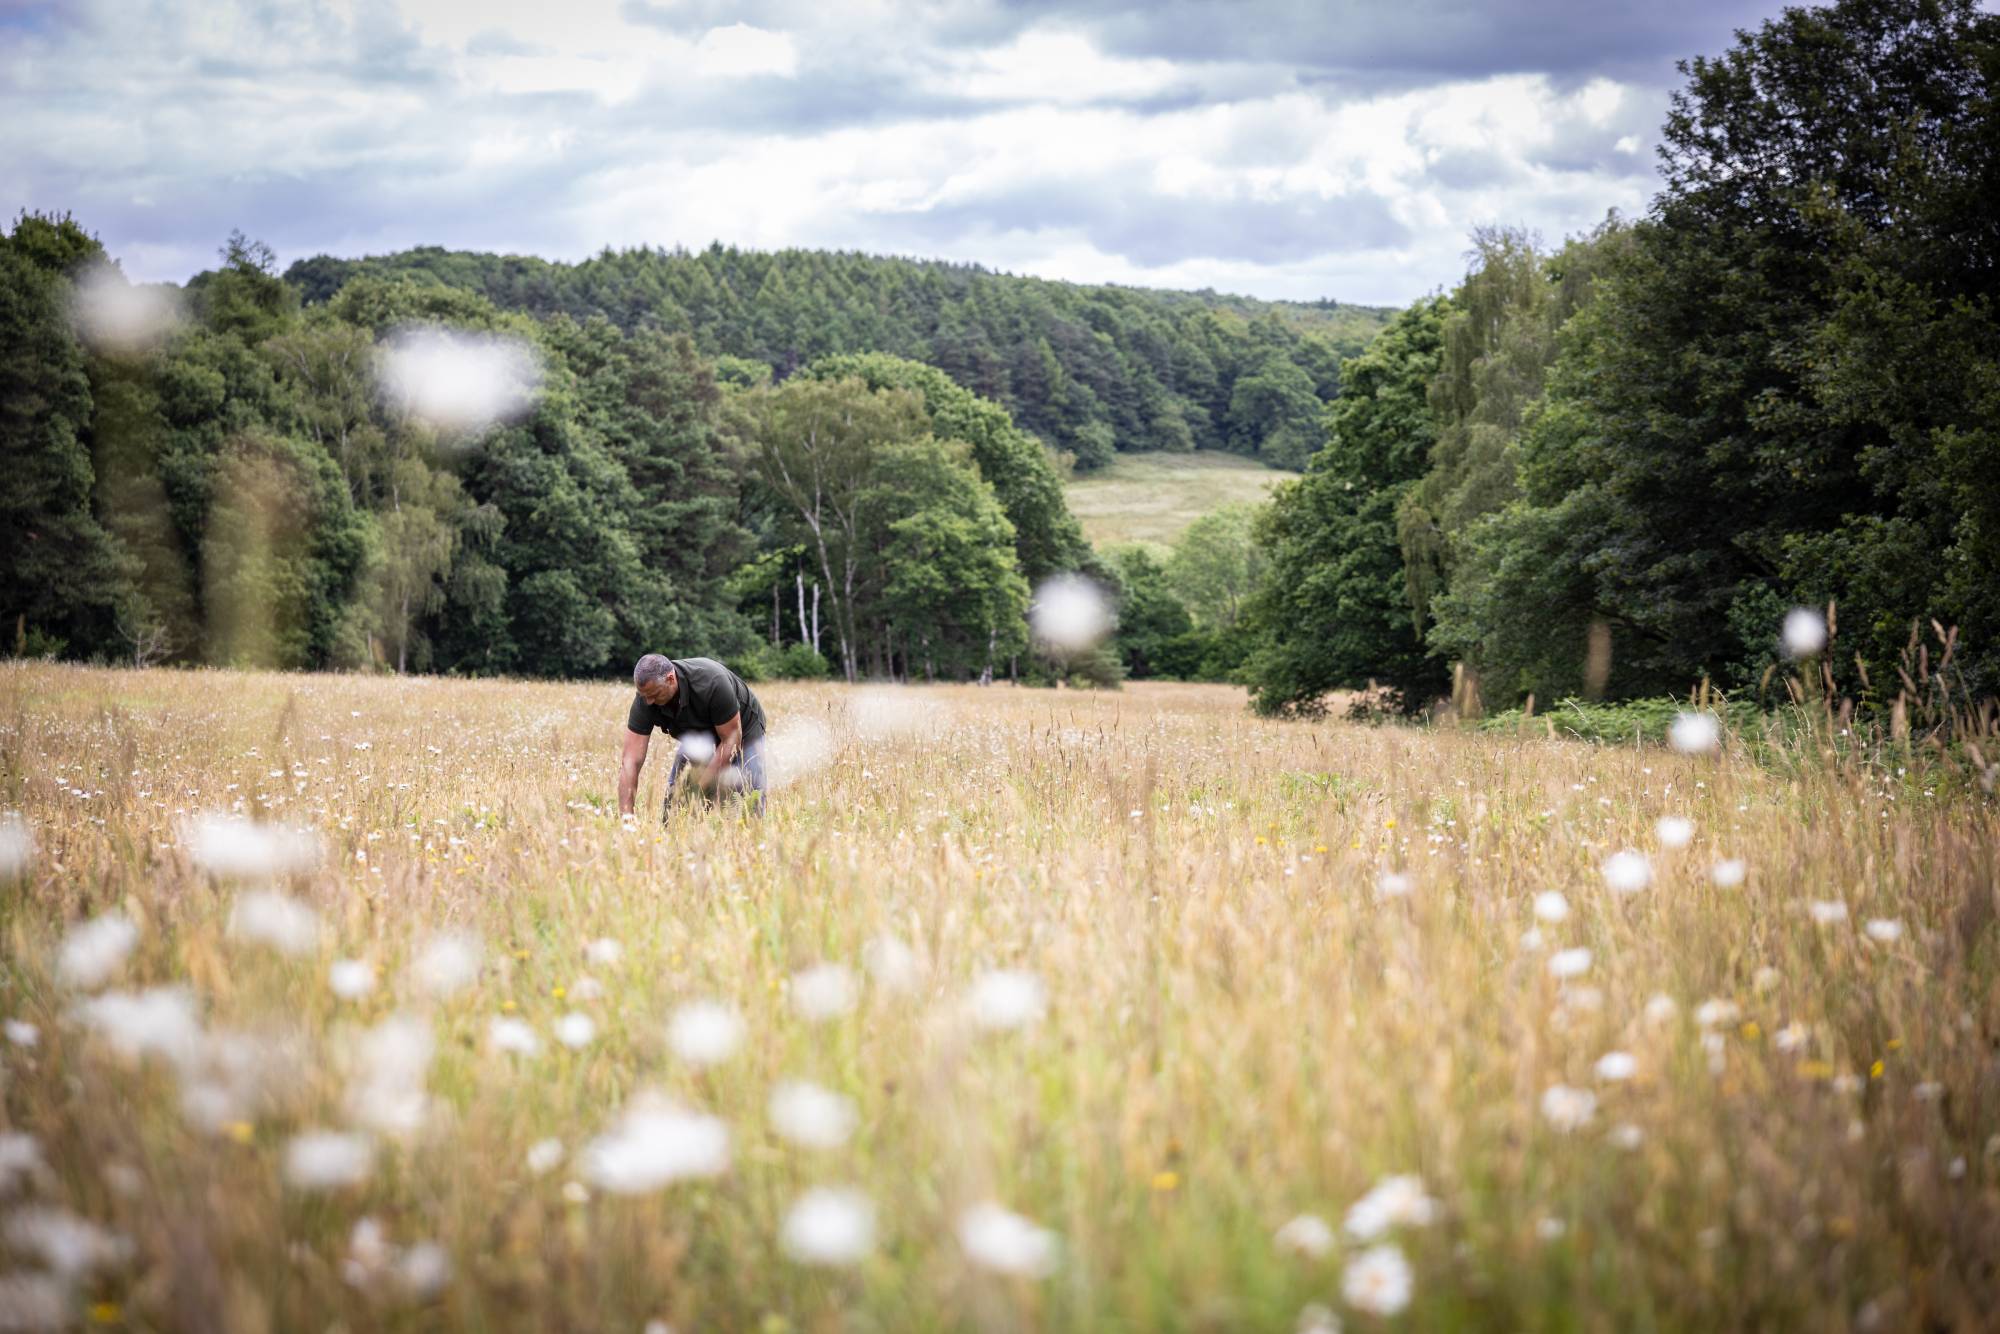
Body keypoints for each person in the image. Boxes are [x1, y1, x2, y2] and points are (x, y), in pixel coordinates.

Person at [618, 653, 768, 819]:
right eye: (645, 696)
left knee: (747, 797)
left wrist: (701, 789)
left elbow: (731, 740)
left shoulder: (712, 682)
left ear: (670, 679)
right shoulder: (646, 697)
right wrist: (627, 817)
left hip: (741, 730)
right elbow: (630, 761)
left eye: (655, 694)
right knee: (678, 804)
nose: (649, 702)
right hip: (699, 734)